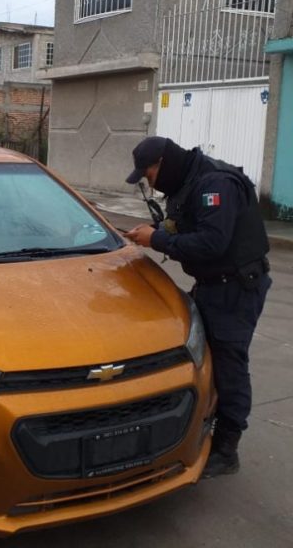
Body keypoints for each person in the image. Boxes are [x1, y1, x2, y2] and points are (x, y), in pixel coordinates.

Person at [124, 136, 271, 479]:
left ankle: (226, 449)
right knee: (206, 359)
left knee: (230, 364)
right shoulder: (188, 181)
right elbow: (183, 223)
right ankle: (204, 427)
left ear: (162, 163)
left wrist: (157, 240)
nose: (150, 184)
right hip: (213, 285)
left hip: (235, 289)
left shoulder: (214, 184)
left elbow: (211, 242)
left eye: (148, 175)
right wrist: (155, 230)